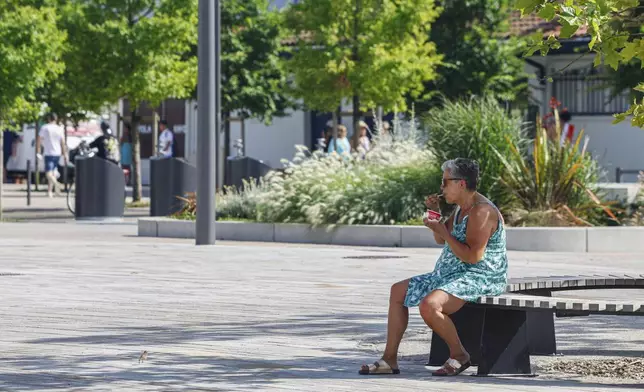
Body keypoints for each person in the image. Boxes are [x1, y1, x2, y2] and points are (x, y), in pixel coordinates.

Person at [358, 158, 508, 377]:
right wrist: (436, 213)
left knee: (429, 305)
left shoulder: (481, 212)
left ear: (461, 184)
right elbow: (441, 239)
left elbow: (474, 257)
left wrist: (444, 232)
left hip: (481, 276)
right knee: (397, 291)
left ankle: (459, 355)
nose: (441, 187)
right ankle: (389, 359)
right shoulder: (461, 208)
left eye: (445, 182)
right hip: (451, 273)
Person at [36, 113, 67, 197]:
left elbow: (39, 139)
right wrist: (65, 154)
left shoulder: (45, 127)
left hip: (48, 152)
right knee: (53, 172)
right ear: (56, 119)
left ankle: (57, 184)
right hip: (57, 152)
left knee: (48, 173)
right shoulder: (59, 129)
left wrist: (38, 151)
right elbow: (63, 142)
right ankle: (50, 191)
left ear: (49, 119)